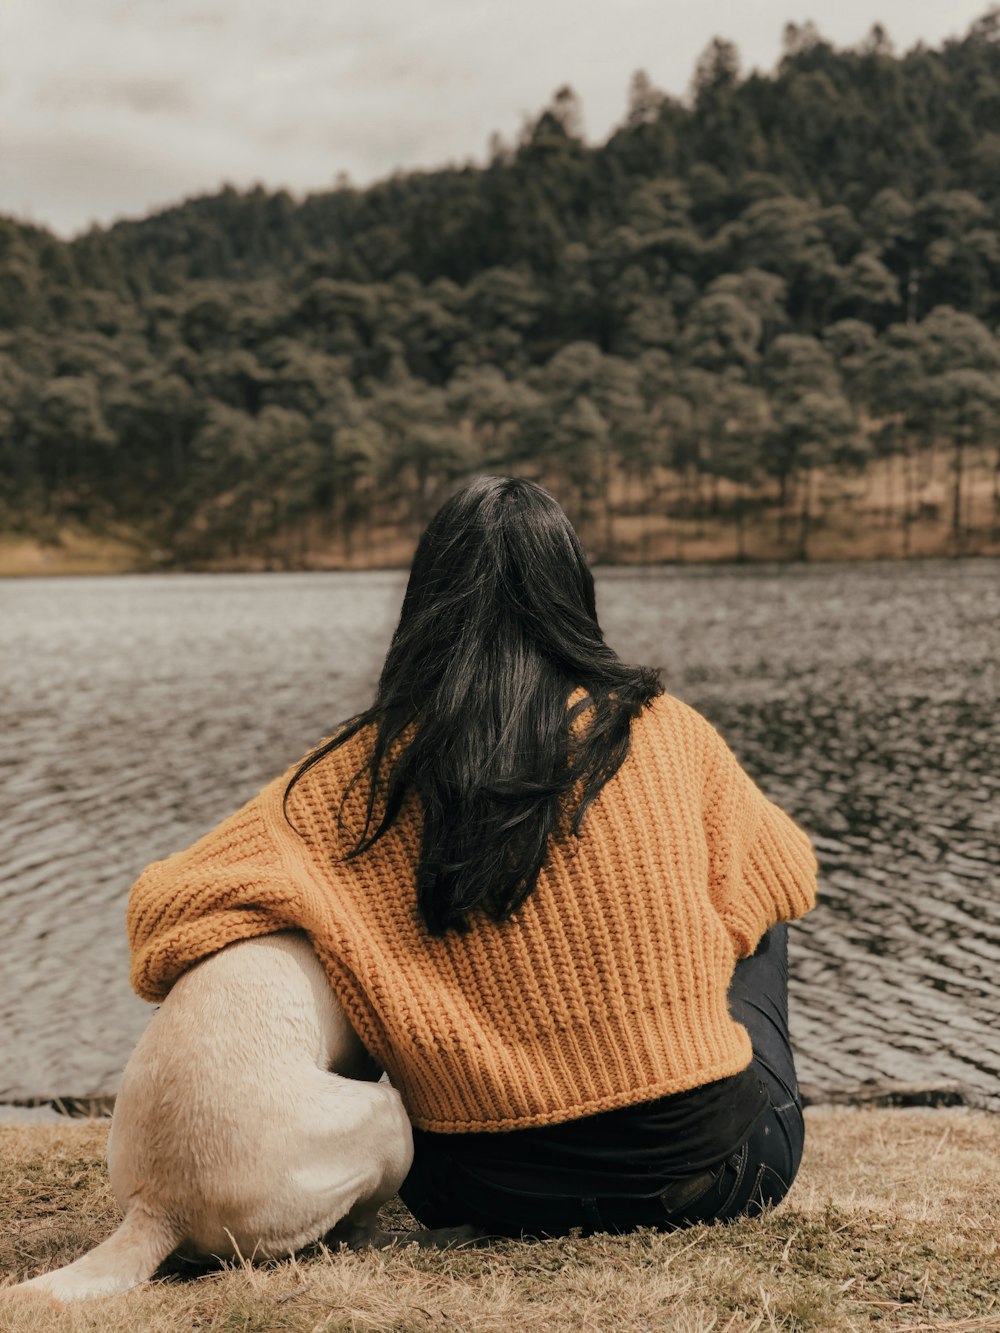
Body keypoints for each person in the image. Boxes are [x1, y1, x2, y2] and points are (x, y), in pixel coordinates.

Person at [128, 475, 817, 1240]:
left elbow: (162, 911)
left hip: (476, 1189)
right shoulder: (661, 728)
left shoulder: (356, 775)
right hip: (711, 1177)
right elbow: (788, 875)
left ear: (426, 602)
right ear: (572, 593)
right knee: (756, 897)